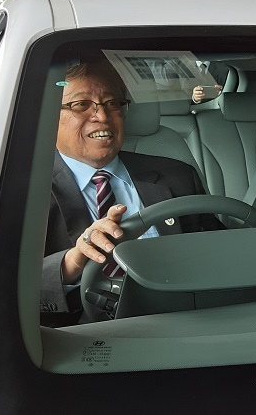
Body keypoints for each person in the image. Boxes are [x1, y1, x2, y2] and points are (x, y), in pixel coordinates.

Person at [41, 58, 223, 322]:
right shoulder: (22, 189)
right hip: (79, 338)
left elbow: (220, 252)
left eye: (113, 104)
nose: (102, 116)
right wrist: (73, 261)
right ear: (49, 114)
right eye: (81, 105)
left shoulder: (178, 175)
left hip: (187, 321)